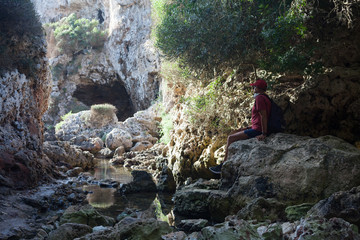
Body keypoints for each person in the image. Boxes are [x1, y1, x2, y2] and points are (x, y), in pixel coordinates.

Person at [209, 79, 271, 174]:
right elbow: (260, 118)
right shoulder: (265, 98)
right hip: (256, 127)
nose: (253, 88)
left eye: (254, 87)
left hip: (258, 130)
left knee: (231, 138)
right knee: (235, 132)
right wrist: (246, 128)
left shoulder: (259, 99)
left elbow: (263, 116)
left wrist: (264, 133)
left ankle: (223, 166)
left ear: (258, 88)